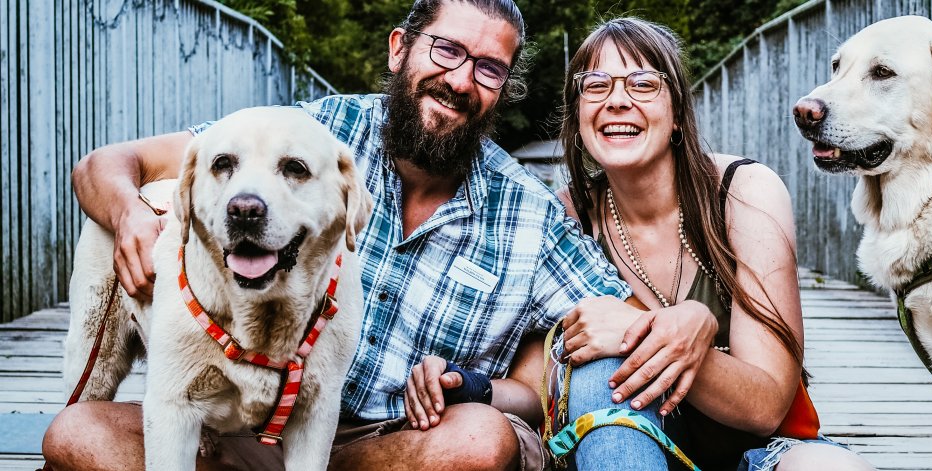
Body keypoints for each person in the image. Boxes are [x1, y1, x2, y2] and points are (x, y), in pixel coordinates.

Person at [42, 1, 634, 470]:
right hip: (247, 429)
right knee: (77, 434)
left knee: (481, 439)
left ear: (503, 89)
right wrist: (130, 216)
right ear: (400, 49)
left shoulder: (530, 212)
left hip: (397, 445)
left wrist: (688, 324)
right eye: (447, 49)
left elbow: (612, 327)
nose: (459, 80)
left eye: (488, 68)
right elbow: (108, 165)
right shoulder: (313, 131)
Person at [547, 18, 876, 470]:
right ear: (578, 115)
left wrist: (670, 332)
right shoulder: (564, 218)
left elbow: (766, 407)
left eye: (643, 83)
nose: (617, 100)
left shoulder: (742, 190)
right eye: (596, 84)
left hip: (758, 453)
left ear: (678, 113)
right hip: (626, 446)